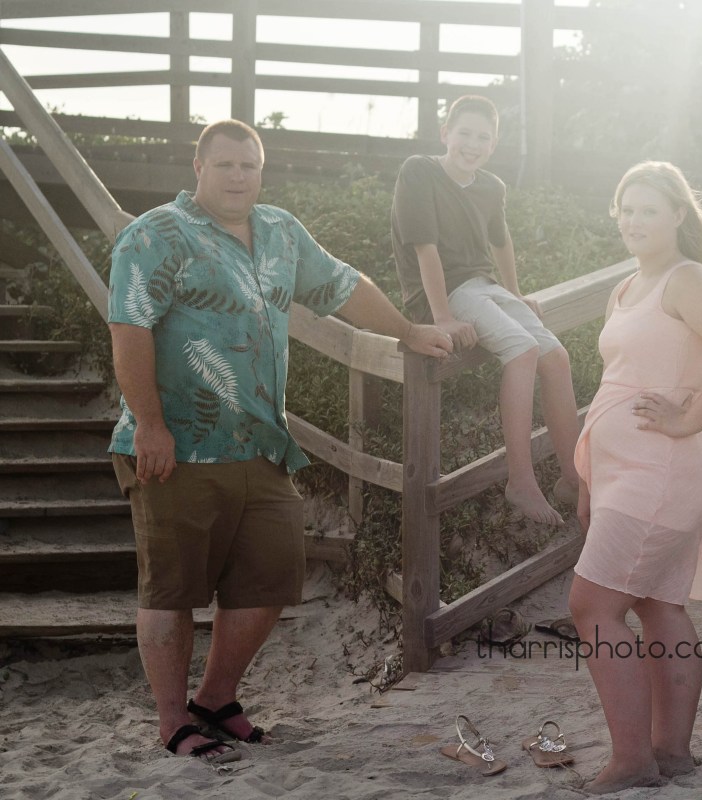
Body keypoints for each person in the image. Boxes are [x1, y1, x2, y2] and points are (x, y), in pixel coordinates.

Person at [107, 119, 452, 763]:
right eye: (226, 164)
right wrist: (150, 425)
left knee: (271, 580)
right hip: (177, 447)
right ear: (199, 167)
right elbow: (129, 329)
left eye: (250, 165)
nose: (239, 176)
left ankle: (215, 699)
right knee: (171, 592)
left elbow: (345, 286)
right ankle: (173, 721)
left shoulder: (280, 232)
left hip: (264, 446)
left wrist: (408, 332)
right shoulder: (154, 234)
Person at [569, 161, 702, 794]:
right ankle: (670, 754)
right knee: (657, 601)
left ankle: (632, 761)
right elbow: (617, 382)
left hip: (663, 467)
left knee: (592, 604)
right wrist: (590, 478)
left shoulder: (687, 280)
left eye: (649, 210)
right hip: (625, 469)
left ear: (679, 216)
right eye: (626, 210)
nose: (634, 221)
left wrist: (688, 420)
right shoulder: (627, 287)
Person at [391, 94, 580, 525]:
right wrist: (441, 316)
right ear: (446, 133)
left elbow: (501, 240)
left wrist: (516, 292)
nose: (472, 144)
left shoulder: (492, 187)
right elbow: (425, 248)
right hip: (443, 294)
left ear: (493, 145)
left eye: (483, 137)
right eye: (464, 133)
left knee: (556, 356)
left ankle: (573, 478)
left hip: (485, 287)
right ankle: (521, 482)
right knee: (522, 350)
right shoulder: (419, 171)